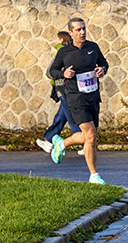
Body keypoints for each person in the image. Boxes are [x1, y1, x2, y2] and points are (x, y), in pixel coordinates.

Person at [46, 18, 110, 185]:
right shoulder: (64, 52)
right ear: (71, 33)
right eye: (78, 30)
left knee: (91, 138)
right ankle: (94, 175)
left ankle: (62, 143)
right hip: (75, 97)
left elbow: (104, 63)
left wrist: (102, 69)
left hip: (93, 96)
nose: (82, 32)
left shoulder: (93, 47)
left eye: (84, 29)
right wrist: (63, 74)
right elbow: (51, 71)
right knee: (90, 134)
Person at [36, 31, 82, 155]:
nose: (55, 41)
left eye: (57, 39)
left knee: (71, 118)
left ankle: (85, 142)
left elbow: (50, 71)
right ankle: (49, 140)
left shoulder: (62, 52)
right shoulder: (72, 51)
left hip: (64, 89)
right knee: (60, 117)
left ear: (62, 40)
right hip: (66, 89)